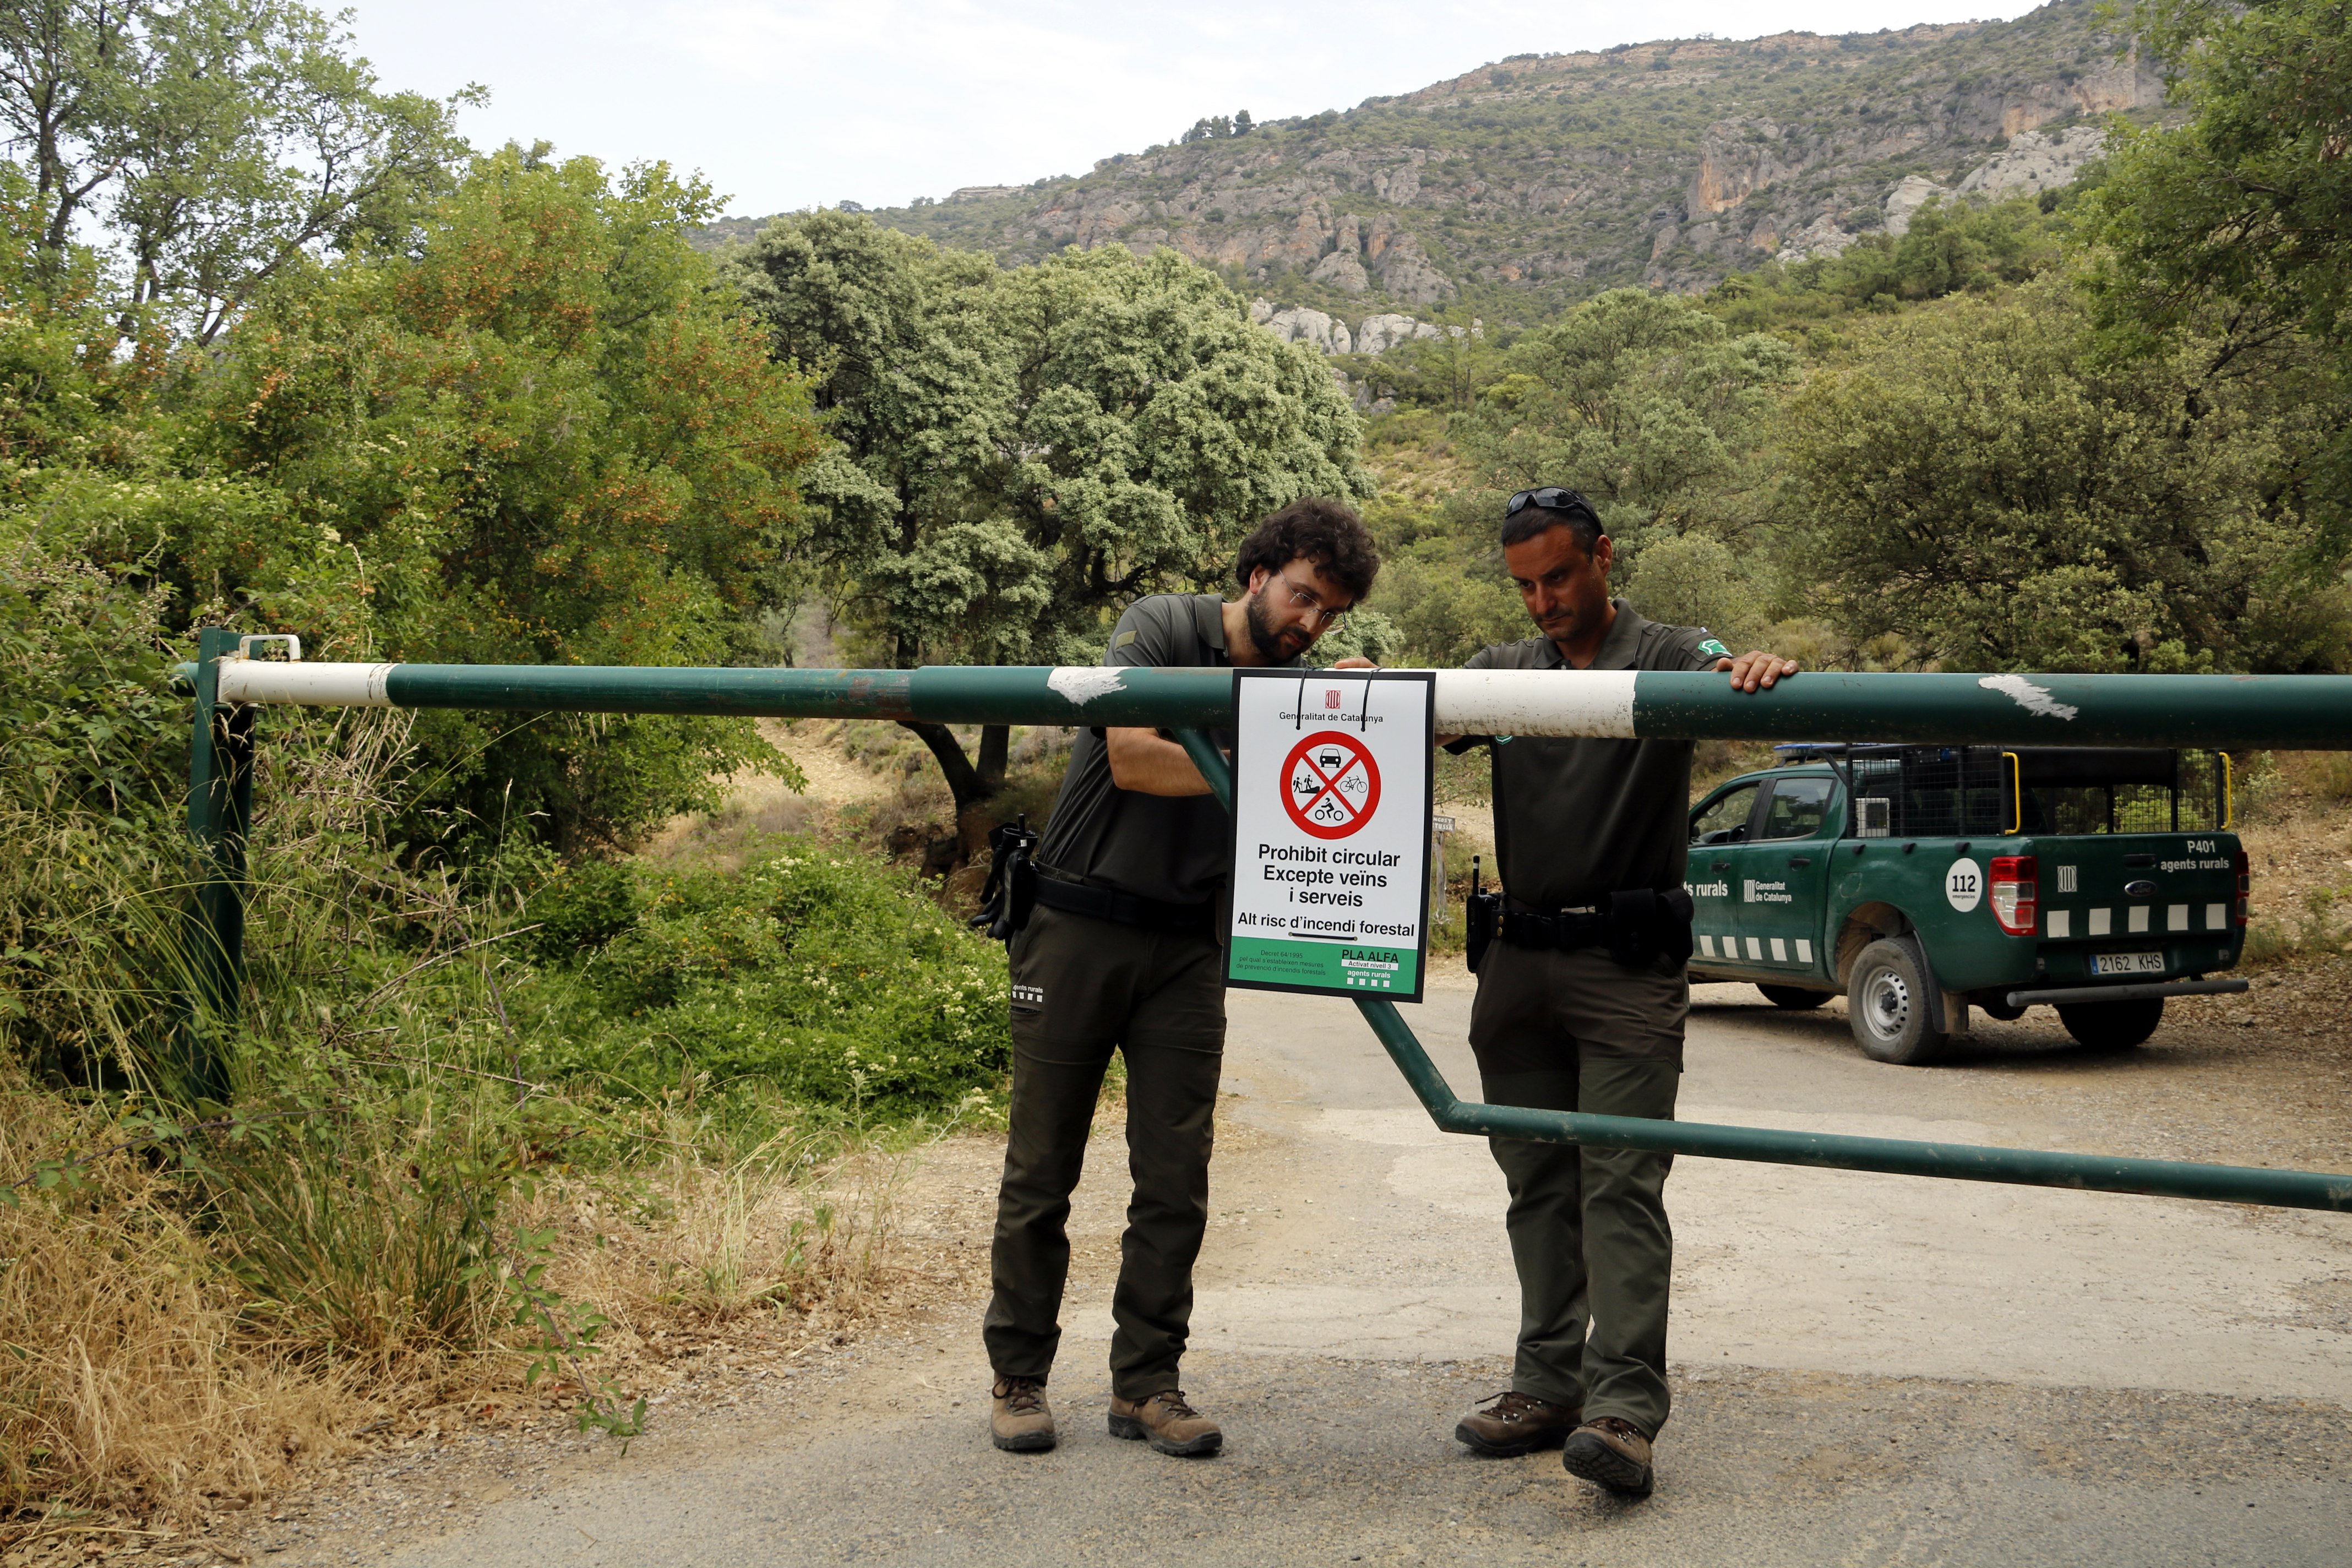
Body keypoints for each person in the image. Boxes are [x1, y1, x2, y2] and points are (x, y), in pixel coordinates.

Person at [984, 497, 1382, 1458]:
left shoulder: (1302, 681)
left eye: (1331, 615)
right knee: (1043, 1172)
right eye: (1301, 599)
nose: (1311, 625)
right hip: (1076, 921)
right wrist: (1287, 744)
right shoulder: (1162, 625)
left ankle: (1147, 1386)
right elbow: (1134, 758)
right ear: (1258, 576)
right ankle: (1019, 1377)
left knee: (1177, 1179)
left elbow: (1338, 784)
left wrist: (1357, 706)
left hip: (1191, 947)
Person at [1441, 487, 1795, 1498]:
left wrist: (1755, 669)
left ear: (1605, 557)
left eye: (1558, 576)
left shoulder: (1673, 654)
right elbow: (1414, 722)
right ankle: (1545, 1383)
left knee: (1622, 1183)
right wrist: (1371, 687)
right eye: (1524, 586)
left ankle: (1624, 1411)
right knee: (1535, 1183)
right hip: (1516, 960)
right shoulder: (1502, 672)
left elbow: (1738, 669)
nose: (1543, 601)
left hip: (1627, 964)